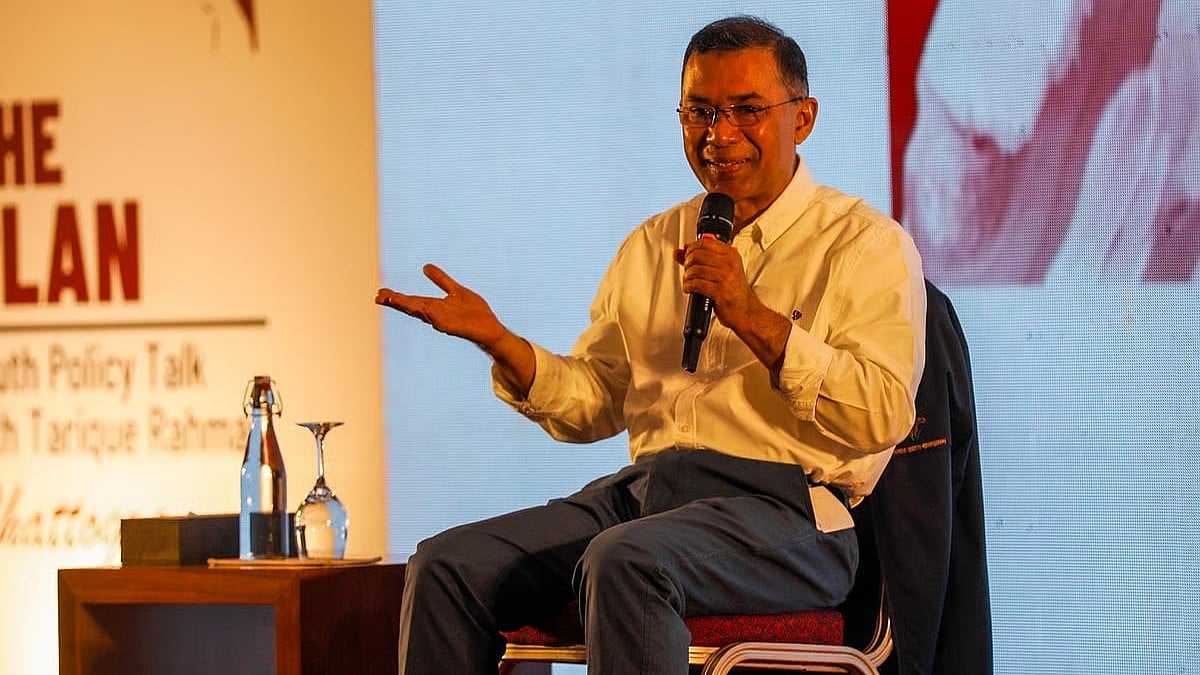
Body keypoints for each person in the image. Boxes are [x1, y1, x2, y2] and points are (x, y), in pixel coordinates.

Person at [376, 15, 926, 675]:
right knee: (445, 565)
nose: (719, 135)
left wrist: (749, 313)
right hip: (649, 493)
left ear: (802, 117)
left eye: (746, 111)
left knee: (625, 560)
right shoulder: (651, 243)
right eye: (699, 112)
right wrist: (502, 343)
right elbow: (595, 405)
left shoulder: (864, 243)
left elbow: (882, 412)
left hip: (792, 514)